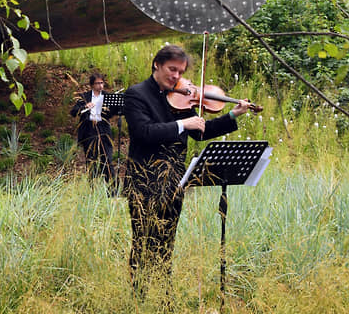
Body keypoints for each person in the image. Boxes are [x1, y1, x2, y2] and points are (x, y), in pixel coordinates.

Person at [123, 44, 251, 302]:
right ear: (156, 65)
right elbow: (143, 133)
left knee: (166, 242)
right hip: (144, 181)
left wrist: (232, 115)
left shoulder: (179, 97)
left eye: (180, 71)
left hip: (174, 182)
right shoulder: (136, 94)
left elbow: (200, 131)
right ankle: (138, 297)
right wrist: (182, 123)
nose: (176, 76)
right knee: (143, 241)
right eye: (172, 69)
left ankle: (163, 296)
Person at [70, 72, 116, 183]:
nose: (100, 86)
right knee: (91, 161)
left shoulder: (108, 96)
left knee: (107, 160)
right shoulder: (84, 97)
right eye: (97, 83)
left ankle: (112, 191)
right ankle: (93, 189)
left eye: (102, 83)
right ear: (92, 85)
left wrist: (113, 107)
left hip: (103, 130)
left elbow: (113, 113)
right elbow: (73, 112)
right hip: (89, 131)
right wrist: (85, 106)